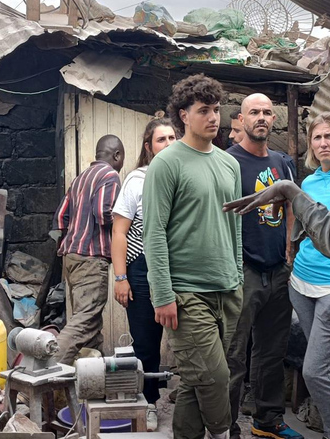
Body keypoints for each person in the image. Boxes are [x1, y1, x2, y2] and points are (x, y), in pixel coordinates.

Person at [143, 74, 243, 439]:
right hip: (186, 293)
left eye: (216, 110)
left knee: (195, 380)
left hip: (227, 291)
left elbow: (234, 225)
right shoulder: (167, 164)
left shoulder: (228, 164)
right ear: (183, 116)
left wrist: (238, 279)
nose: (214, 118)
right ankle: (222, 433)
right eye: (204, 111)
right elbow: (153, 232)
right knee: (215, 376)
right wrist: (163, 294)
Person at [224, 94, 302, 439]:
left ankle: (266, 420)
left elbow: (288, 207)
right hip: (243, 270)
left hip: (278, 269)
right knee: (233, 354)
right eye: (254, 112)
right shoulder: (227, 163)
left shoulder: (283, 163)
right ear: (240, 120)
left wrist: (288, 247)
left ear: (274, 119)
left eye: (267, 112)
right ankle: (224, 425)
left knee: (272, 351)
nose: (261, 117)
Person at [111, 115, 177, 431]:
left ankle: (189, 400)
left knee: (188, 342)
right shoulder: (137, 181)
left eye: (171, 138)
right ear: (149, 147)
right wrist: (121, 277)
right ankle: (149, 402)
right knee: (147, 344)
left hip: (180, 269)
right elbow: (120, 232)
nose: (167, 144)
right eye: (160, 139)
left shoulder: (185, 175)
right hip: (142, 269)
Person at [53, 134, 124, 365]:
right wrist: (126, 226)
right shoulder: (110, 175)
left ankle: (96, 380)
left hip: (72, 256)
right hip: (91, 258)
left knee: (91, 324)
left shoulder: (80, 178)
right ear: (117, 155)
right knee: (83, 321)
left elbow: (61, 217)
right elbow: (104, 213)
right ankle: (45, 373)